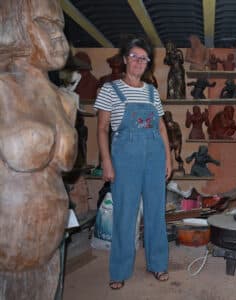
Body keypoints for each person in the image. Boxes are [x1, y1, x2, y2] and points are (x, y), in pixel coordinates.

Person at [0, 0, 78, 296]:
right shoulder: (2, 88)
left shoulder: (66, 101)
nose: (58, 35)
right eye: (44, 23)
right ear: (13, 25)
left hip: (49, 246)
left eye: (59, 25)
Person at [94, 37, 172, 289]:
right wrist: (106, 161)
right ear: (126, 58)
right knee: (125, 215)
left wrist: (168, 160)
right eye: (135, 56)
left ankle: (158, 264)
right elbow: (102, 128)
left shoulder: (151, 91)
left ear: (148, 63)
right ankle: (119, 270)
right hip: (125, 157)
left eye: (144, 58)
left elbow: (161, 127)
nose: (139, 61)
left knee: (156, 213)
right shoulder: (109, 89)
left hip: (154, 155)